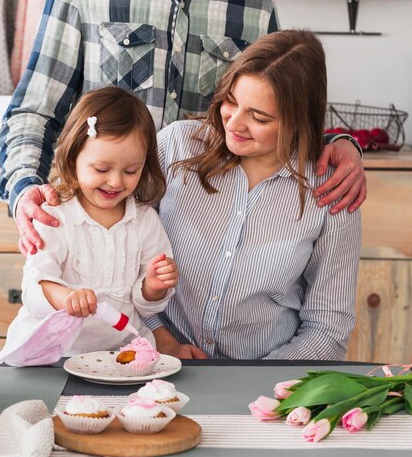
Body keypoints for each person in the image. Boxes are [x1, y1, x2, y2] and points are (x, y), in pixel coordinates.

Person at [0, 0, 366, 256]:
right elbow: (36, 110)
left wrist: (343, 143)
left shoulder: (256, 7)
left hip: (201, 244)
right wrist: (25, 187)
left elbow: (280, 119)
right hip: (94, 233)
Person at [146, 29, 362, 360]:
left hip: (266, 385)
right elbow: (114, 256)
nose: (234, 123)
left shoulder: (331, 190)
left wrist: (256, 385)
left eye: (259, 117)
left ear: (298, 121)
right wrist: (159, 339)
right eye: (231, 102)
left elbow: (327, 328)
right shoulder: (174, 147)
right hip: (158, 365)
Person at [0, 86, 179, 357]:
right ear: (73, 159)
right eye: (101, 169)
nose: (116, 181)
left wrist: (152, 287)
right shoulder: (56, 216)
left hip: (122, 354)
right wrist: (65, 298)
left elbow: (147, 308)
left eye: (131, 170)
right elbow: (35, 286)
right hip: (54, 356)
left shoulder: (144, 221)